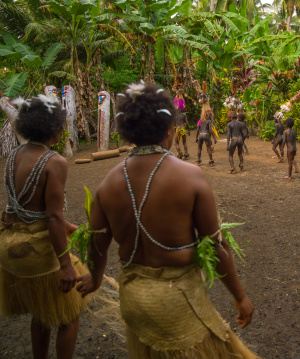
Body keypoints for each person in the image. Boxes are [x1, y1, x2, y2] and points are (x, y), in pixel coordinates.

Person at [76, 82, 259, 359]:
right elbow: (216, 245)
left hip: (135, 301)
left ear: (127, 132)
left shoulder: (108, 184)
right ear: (170, 130)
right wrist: (240, 296)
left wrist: (96, 279)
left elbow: (97, 242)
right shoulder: (189, 176)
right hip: (178, 300)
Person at [0, 95, 89, 359]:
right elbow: (52, 217)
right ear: (56, 129)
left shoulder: (13, 155)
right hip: (36, 254)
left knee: (42, 311)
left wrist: (69, 226)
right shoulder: (54, 161)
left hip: (9, 248)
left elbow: (25, 208)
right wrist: (65, 265)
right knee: (69, 315)